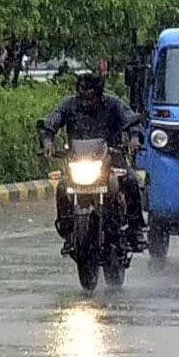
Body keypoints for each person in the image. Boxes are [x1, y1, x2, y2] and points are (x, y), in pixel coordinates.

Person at [39, 74, 147, 253]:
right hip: (77, 160)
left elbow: (131, 119)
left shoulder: (113, 104)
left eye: (90, 95)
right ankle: (68, 232)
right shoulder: (69, 105)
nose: (86, 100)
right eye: (82, 95)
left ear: (99, 93)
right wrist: (47, 141)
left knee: (131, 181)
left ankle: (135, 231)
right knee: (62, 188)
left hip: (111, 157)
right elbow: (52, 120)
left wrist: (134, 137)